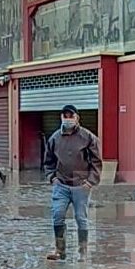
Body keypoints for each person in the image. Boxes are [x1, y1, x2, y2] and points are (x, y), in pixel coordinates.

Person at [43, 104, 102, 260]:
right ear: (61, 118)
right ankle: (60, 250)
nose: (68, 119)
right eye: (65, 116)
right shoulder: (54, 138)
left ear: (77, 118)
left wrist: (90, 182)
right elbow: (48, 162)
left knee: (81, 218)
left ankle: (82, 252)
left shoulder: (88, 137)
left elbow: (97, 162)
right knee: (57, 215)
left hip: (81, 186)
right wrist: (52, 177)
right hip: (61, 184)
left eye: (71, 116)